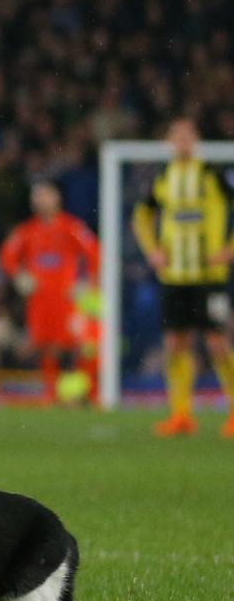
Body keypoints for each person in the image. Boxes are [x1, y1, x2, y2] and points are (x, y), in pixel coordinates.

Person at [132, 117, 234, 438]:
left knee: (217, 342)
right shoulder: (163, 177)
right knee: (176, 344)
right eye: (176, 136)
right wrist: (152, 250)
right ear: (168, 143)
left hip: (209, 275)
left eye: (188, 135)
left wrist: (230, 249)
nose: (182, 141)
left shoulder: (214, 175)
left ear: (197, 140)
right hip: (175, 275)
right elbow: (142, 215)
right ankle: (180, 415)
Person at [0, 180, 99, 405]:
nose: (41, 200)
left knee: (80, 345)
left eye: (46, 195)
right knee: (47, 348)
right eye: (38, 195)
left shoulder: (71, 226)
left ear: (57, 198)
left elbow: (94, 252)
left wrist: (86, 282)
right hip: (40, 300)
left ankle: (86, 393)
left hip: (68, 299)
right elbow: (7, 256)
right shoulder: (27, 231)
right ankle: (52, 394)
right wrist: (18, 276)